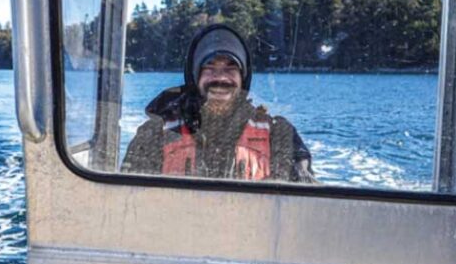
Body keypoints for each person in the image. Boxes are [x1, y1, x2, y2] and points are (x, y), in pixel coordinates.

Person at [121, 24, 316, 183]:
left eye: (231, 68)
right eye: (209, 67)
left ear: (243, 77)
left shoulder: (280, 135)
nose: (221, 78)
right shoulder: (155, 134)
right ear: (196, 75)